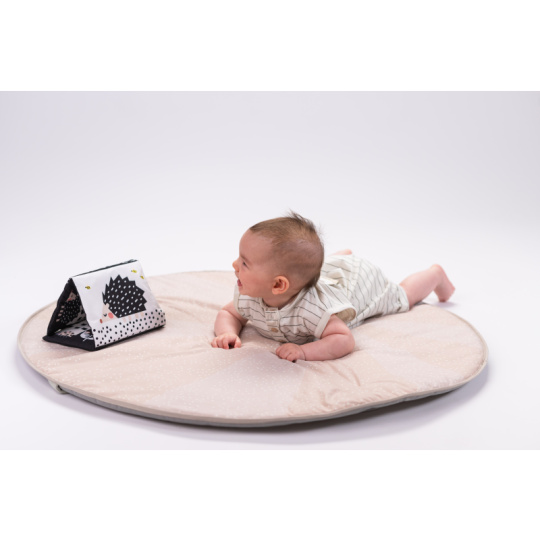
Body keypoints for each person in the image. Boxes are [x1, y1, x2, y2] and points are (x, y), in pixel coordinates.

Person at [211, 212, 455, 362]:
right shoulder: (249, 295)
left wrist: (304, 352)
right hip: (324, 274)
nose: (234, 264)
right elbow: (228, 313)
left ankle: (435, 275)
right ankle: (338, 259)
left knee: (403, 297)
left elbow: (343, 339)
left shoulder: (314, 309)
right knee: (307, 269)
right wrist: (227, 333)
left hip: (357, 283)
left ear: (277, 284)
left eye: (244, 263)